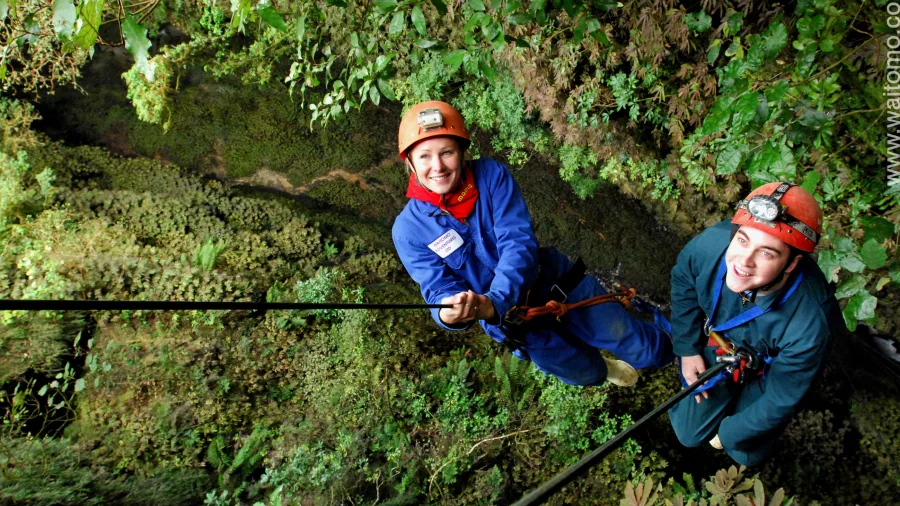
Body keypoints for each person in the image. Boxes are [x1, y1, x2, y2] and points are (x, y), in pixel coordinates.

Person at [391, 100, 673, 387]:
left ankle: (683, 358)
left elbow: (518, 242)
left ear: (462, 153)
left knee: (643, 348)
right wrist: (450, 312)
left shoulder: (490, 176)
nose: (437, 166)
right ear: (410, 162)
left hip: (557, 284)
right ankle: (603, 368)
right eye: (424, 156)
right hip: (518, 325)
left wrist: (494, 301)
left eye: (447, 152)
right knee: (587, 374)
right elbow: (437, 288)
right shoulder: (408, 231)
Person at [668, 182, 843, 466]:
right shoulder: (710, 247)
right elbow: (684, 282)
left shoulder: (811, 321)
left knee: (744, 451)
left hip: (770, 371)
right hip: (721, 348)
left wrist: (728, 433)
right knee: (688, 434)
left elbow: (782, 397)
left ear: (791, 264)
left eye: (767, 253)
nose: (743, 261)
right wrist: (687, 349)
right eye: (743, 240)